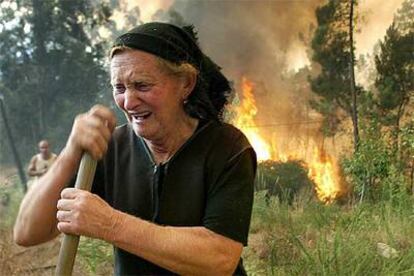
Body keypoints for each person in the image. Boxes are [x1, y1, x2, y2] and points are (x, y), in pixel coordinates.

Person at [13, 22, 257, 275]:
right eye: (119, 88)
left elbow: (218, 259)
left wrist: (110, 224)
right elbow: (27, 232)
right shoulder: (110, 147)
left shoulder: (227, 147)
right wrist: (70, 153)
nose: (128, 102)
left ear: (185, 83)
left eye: (142, 85)